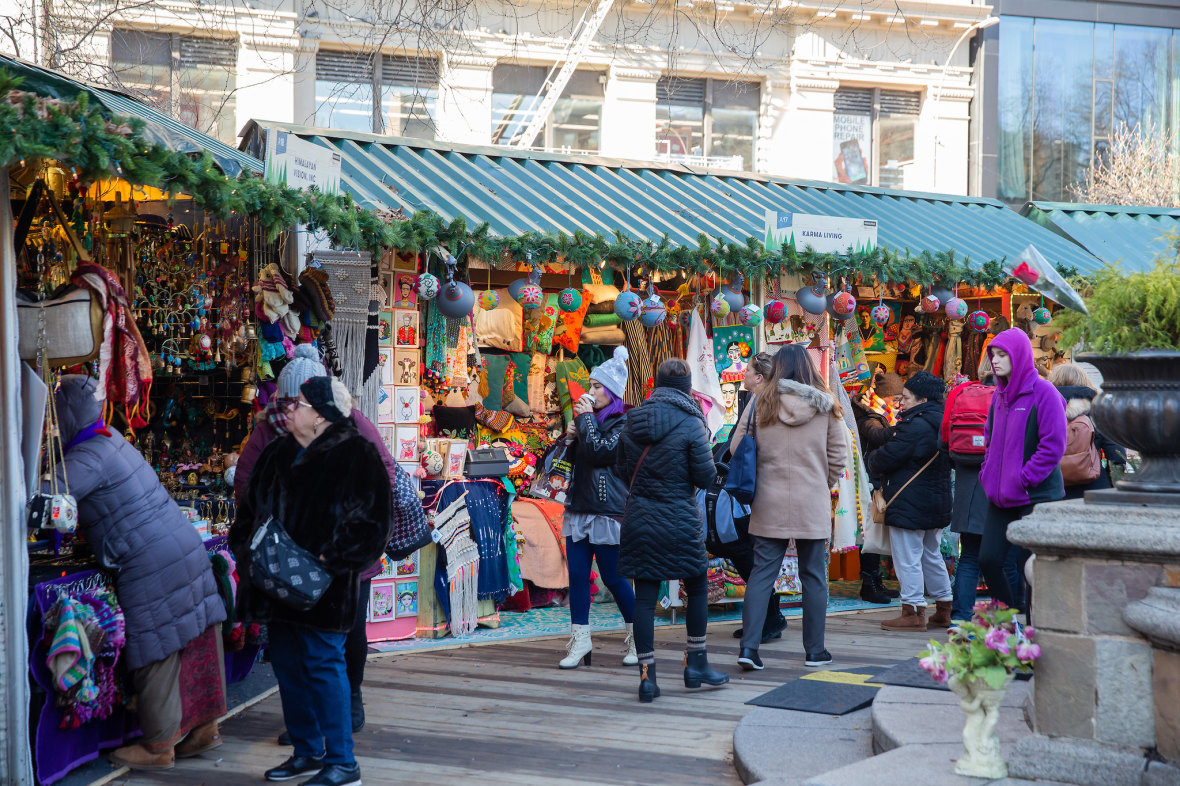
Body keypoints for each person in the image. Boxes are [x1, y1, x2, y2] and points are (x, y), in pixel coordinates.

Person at [47, 376, 227, 771]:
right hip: (179, 545)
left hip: (149, 560)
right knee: (196, 635)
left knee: (155, 646)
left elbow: (44, 495)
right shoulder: (109, 437)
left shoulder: (86, 456)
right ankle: (204, 729)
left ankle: (159, 746)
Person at [232, 377, 392, 786]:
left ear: (321, 414)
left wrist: (331, 557)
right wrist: (248, 548)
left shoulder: (356, 453)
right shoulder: (278, 451)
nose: (289, 408)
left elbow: (373, 523)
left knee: (323, 663)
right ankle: (306, 751)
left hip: (326, 586)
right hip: (275, 585)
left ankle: (343, 763)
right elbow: (249, 507)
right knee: (286, 663)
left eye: (299, 403)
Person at [730, 345, 848, 670]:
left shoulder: (760, 401)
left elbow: (737, 445)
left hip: (768, 499)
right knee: (813, 575)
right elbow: (839, 455)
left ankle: (750, 649)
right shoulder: (826, 405)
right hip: (812, 500)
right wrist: (820, 483)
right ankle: (815, 651)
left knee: (762, 574)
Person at [617, 358, 727, 702]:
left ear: (657, 384)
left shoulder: (632, 419)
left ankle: (647, 679)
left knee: (645, 598)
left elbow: (621, 469)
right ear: (686, 386)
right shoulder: (693, 422)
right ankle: (695, 664)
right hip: (680, 517)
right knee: (696, 586)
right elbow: (705, 477)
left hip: (639, 518)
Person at [558, 346, 638, 669]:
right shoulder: (584, 423)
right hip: (578, 506)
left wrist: (586, 421)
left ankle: (638, 637)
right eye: (590, 386)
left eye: (596, 387)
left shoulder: (626, 423)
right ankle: (580, 640)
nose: (589, 392)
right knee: (577, 576)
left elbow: (600, 452)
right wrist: (567, 437)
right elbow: (568, 460)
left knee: (614, 578)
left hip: (607, 512)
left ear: (613, 392)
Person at [979, 329, 1067, 613]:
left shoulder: (1045, 392)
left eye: (1003, 355)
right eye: (993, 354)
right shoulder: (998, 396)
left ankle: (1035, 632)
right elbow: (990, 440)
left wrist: (1025, 478)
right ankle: (1008, 623)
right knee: (988, 559)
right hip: (1002, 496)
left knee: (1032, 569)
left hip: (1035, 495)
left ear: (1019, 356)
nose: (996, 360)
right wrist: (988, 472)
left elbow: (1053, 445)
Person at [866, 371, 953, 632]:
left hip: (909, 501)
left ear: (922, 398)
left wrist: (873, 459)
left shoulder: (916, 424)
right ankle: (944, 608)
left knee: (908, 557)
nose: (901, 402)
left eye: (906, 397)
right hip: (937, 500)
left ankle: (913, 612)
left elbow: (885, 458)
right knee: (931, 554)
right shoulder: (943, 420)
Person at [720, 352, 789, 644]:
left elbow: (741, 446)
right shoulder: (768, 402)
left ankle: (769, 619)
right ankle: (766, 618)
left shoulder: (759, 404)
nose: (743, 376)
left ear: (759, 378)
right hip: (763, 488)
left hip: (757, 489)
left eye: (747, 371)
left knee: (750, 554)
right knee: (750, 553)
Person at [851, 370, 903, 604]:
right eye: (896, 398)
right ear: (885, 396)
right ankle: (868, 583)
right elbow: (877, 434)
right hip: (869, 479)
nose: (899, 402)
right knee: (870, 533)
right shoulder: (867, 414)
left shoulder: (885, 413)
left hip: (878, 478)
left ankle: (875, 580)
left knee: (876, 532)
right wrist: (903, 428)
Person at [1048, 363, 1126, 499]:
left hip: (1053, 487)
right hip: (1094, 487)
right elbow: (1117, 454)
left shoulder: (1043, 407)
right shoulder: (1099, 409)